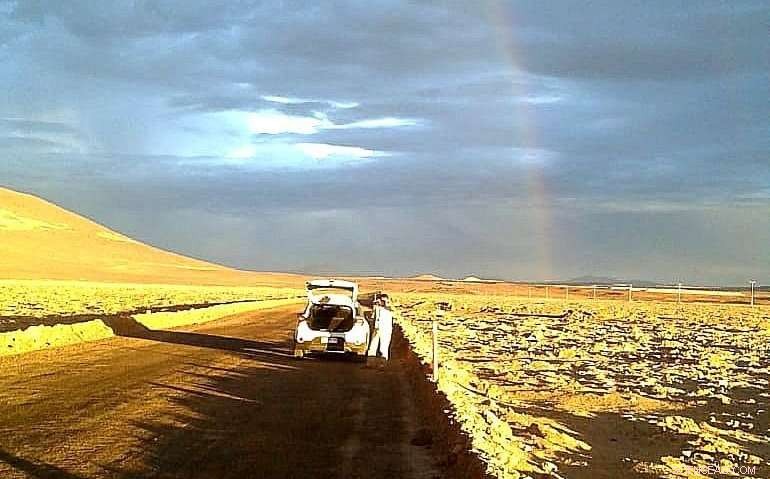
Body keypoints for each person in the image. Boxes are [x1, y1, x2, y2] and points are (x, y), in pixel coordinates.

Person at [369, 294, 393, 360]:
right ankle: (370, 362)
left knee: (383, 348)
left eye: (383, 301)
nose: (382, 302)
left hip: (386, 330)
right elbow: (373, 317)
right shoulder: (378, 308)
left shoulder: (389, 308)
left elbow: (388, 309)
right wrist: (375, 307)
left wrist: (379, 305)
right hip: (377, 328)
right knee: (372, 346)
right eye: (381, 300)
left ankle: (383, 363)